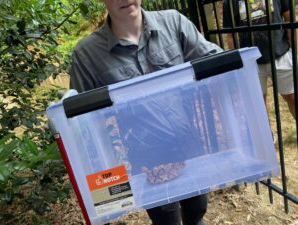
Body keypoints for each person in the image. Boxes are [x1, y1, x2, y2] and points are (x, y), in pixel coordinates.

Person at [70, 1, 222, 225]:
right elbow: (84, 127)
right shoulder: (87, 54)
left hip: (190, 147)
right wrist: (109, 194)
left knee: (197, 213)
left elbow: (217, 61)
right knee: (166, 221)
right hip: (147, 162)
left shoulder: (174, 22)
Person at [223, 0, 296, 120]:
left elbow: (290, 20)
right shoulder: (230, 3)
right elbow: (230, 35)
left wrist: (296, 53)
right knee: (258, 105)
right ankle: (267, 138)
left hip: (281, 54)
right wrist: (237, 65)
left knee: (293, 98)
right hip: (250, 62)